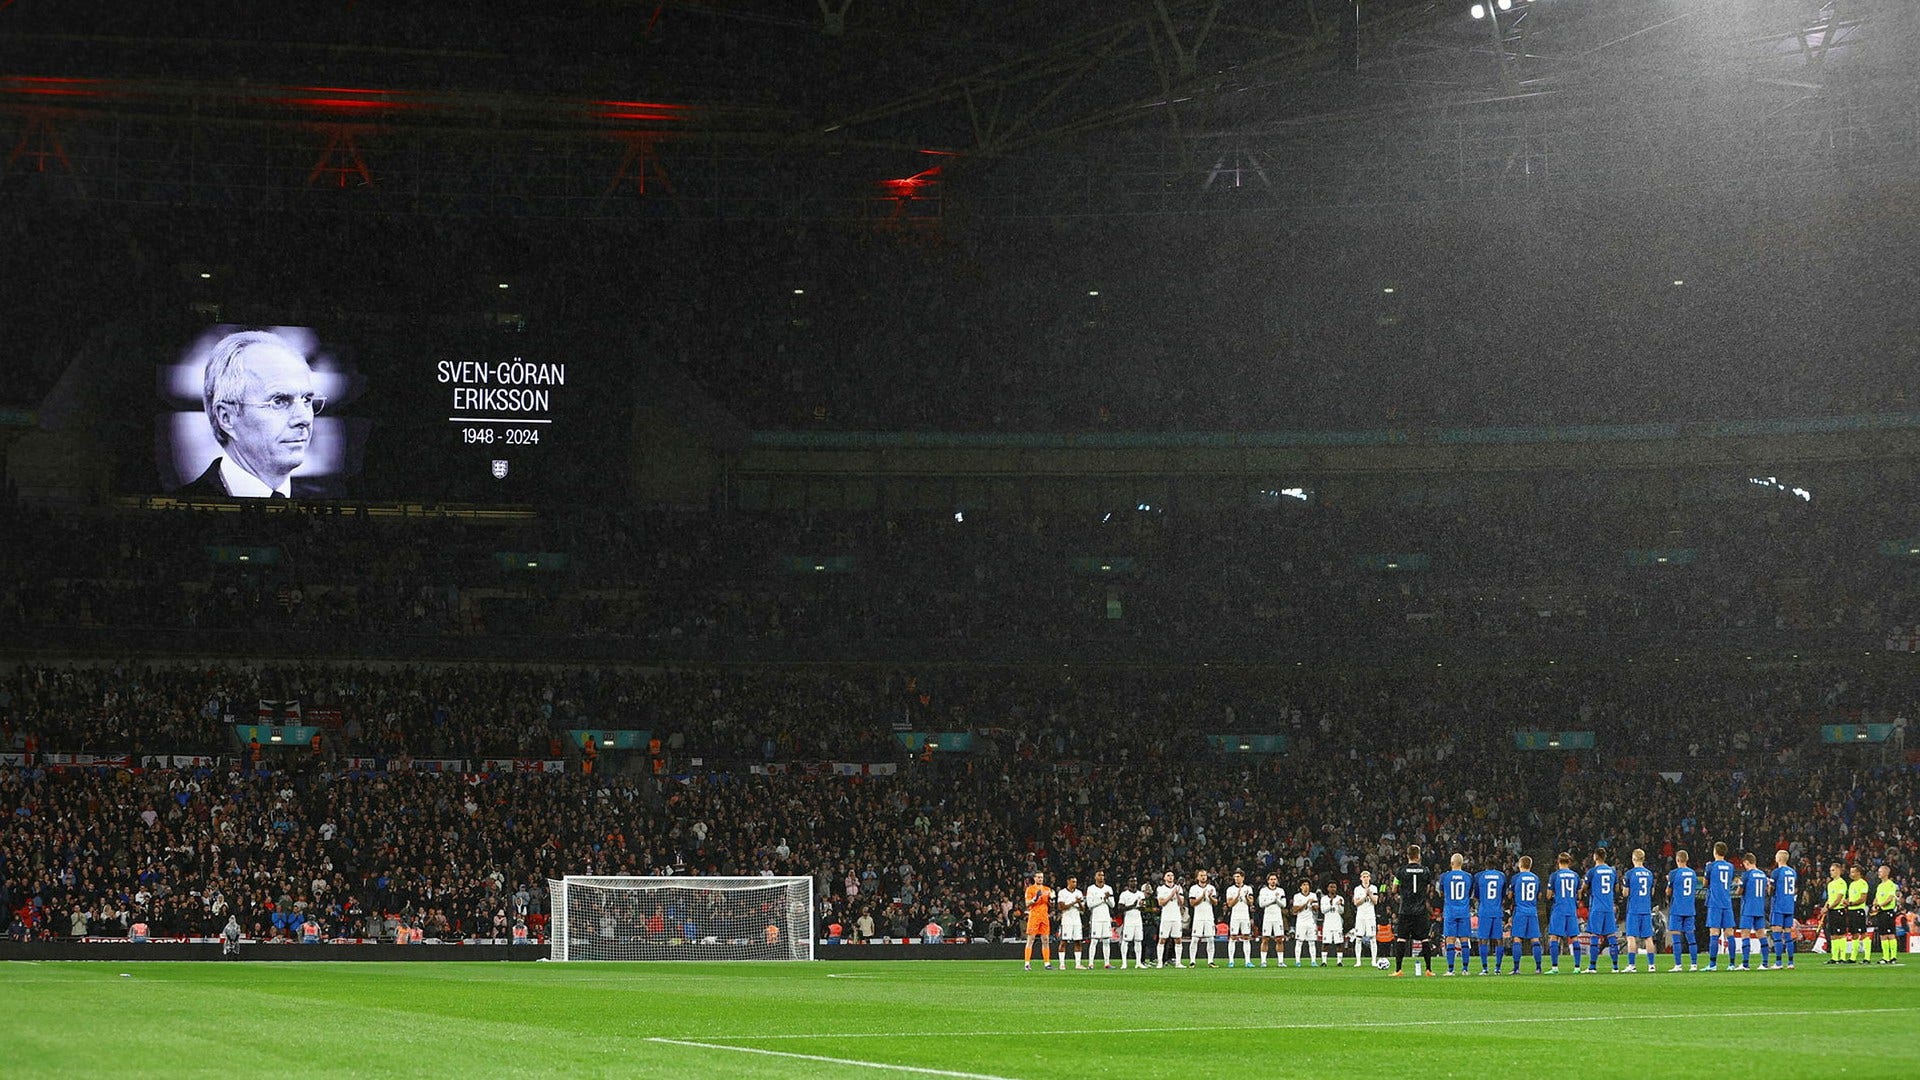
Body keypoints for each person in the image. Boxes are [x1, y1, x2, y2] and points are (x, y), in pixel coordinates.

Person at [178, 329, 323, 499]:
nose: (305, 419)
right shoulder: (181, 507)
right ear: (227, 418)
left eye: (306, 399)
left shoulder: (327, 504)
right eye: (279, 401)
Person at [1391, 845, 1434, 977]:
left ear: (1407, 855)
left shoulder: (1401, 871)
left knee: (1401, 939)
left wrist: (1402, 895)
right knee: (1424, 939)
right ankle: (1428, 970)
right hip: (1420, 910)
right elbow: (1427, 889)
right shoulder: (1425, 871)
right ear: (1419, 855)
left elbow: (1394, 889)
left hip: (1405, 910)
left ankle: (1398, 970)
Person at [1583, 849, 1620, 973]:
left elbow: (1584, 888)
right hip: (1609, 907)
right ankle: (1615, 967)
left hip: (1597, 907)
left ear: (1595, 857)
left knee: (1594, 935)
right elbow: (1616, 888)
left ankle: (1592, 967)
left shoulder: (1592, 872)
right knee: (1611, 936)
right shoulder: (1612, 871)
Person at [1703, 842, 1738, 970]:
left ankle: (1712, 964)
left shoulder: (1711, 866)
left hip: (1715, 903)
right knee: (1730, 933)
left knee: (1714, 932)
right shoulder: (1730, 866)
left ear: (1715, 852)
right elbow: (1731, 880)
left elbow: (1705, 883)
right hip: (1727, 902)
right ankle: (1732, 964)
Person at [1621, 849, 1656, 972]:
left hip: (1634, 909)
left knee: (1631, 937)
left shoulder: (1629, 874)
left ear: (1633, 859)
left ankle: (1632, 965)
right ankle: (1651, 965)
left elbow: (1625, 893)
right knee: (1648, 938)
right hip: (1646, 909)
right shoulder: (1650, 874)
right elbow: (1652, 892)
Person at [1547, 852, 1582, 974]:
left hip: (1559, 909)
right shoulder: (1575, 876)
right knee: (1574, 937)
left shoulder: (1555, 875)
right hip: (1571, 909)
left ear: (1558, 861)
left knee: (1554, 937)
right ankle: (1577, 967)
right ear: (1569, 861)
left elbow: (1548, 895)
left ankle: (1555, 967)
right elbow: (1579, 894)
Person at [1508, 856, 1543, 974]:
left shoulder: (1516, 878)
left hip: (1520, 911)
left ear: (1520, 865)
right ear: (1530, 865)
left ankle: (1516, 968)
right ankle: (1538, 968)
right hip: (1532, 911)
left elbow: (1509, 895)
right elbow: (1539, 896)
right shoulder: (1536, 878)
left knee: (1517, 939)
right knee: (1535, 939)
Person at [1439, 854, 1472, 975]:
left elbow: (1441, 892)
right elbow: (1470, 892)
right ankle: (1465, 969)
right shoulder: (1468, 876)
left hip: (1450, 911)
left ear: (1451, 863)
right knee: (1464, 940)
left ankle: (1451, 969)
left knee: (1450, 940)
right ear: (1462, 863)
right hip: (1463, 911)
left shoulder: (1444, 876)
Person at [1736, 852, 1770, 971]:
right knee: (1761, 935)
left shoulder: (1747, 875)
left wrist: (1738, 885)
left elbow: (1739, 892)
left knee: (1745, 934)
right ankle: (1765, 963)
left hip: (1748, 908)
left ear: (1747, 862)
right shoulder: (1763, 874)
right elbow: (1767, 890)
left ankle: (1745, 964)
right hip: (1760, 908)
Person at [1668, 851, 1700, 971]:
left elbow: (1668, 892)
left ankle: (1678, 965)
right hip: (1690, 908)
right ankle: (1694, 964)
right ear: (1687, 859)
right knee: (1691, 938)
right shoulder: (1693, 873)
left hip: (1677, 908)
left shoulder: (1674, 873)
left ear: (1677, 860)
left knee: (1676, 938)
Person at [1472, 859, 1506, 974]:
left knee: (1483, 940)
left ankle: (1485, 968)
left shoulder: (1479, 876)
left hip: (1484, 912)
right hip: (1497, 911)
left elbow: (1476, 896)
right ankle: (1498, 968)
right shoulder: (1501, 876)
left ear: (1485, 865)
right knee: (1499, 940)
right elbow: (1503, 895)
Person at [1769, 850, 1798, 970]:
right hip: (1789, 906)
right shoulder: (1793, 872)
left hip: (1779, 905)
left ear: (1779, 859)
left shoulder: (1776, 872)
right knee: (1788, 935)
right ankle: (1790, 963)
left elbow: (1771, 889)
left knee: (1777, 934)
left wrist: (1769, 889)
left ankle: (1778, 962)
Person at [1187, 869, 1218, 968]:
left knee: (1210, 939)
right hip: (1198, 917)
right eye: (1201, 875)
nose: (1203, 877)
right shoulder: (1193, 888)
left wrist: (1210, 897)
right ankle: (1192, 961)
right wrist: (1202, 896)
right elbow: (1192, 903)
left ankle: (1210, 961)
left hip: (1209, 917)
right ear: (1197, 877)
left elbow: (1215, 902)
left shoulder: (1211, 888)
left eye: (1205, 875)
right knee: (1195, 939)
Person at [1022, 871, 1054, 971]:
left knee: (1045, 940)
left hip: (1044, 916)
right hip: (1034, 916)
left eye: (1042, 877)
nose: (1040, 879)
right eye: (1038, 877)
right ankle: (1027, 963)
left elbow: (1051, 905)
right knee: (1030, 939)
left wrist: (1052, 899)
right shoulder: (1030, 889)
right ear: (1034, 878)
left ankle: (1047, 963)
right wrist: (1034, 899)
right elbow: (1027, 903)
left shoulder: (1047, 889)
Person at [1084, 871, 1115, 969]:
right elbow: (1089, 904)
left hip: (1106, 918)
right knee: (1094, 941)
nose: (1101, 877)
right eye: (1099, 875)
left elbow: (1112, 905)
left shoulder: (1108, 888)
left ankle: (1107, 963)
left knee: (1106, 941)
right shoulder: (1091, 889)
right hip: (1096, 918)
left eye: (1102, 875)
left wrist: (1108, 899)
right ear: (1095, 877)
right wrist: (1102, 898)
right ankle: (1090, 963)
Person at [1223, 871, 1254, 968]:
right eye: (1235, 876)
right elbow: (1230, 904)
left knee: (1246, 937)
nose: (1236, 878)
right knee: (1233, 937)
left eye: (1238, 876)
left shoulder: (1248, 888)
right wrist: (1237, 896)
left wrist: (1245, 897)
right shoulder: (1230, 889)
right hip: (1235, 916)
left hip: (1245, 916)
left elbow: (1251, 902)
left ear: (1243, 878)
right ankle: (1231, 961)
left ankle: (1248, 961)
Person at [1871, 865, 1901, 965]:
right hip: (1880, 912)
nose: (1878, 873)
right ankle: (1885, 957)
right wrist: (1874, 905)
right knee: (1883, 935)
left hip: (1888, 912)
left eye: (1880, 871)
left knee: (1890, 934)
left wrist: (1879, 905)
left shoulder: (1891, 884)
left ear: (1886, 873)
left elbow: (1890, 898)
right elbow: (1876, 898)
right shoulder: (1880, 886)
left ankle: (1893, 957)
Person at [1155, 871, 1185, 968]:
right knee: (1162, 939)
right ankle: (1160, 962)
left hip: (1176, 916)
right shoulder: (1161, 889)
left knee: (1178, 939)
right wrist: (1171, 894)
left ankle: (1178, 962)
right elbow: (1161, 903)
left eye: (1172, 875)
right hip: (1166, 917)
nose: (1170, 877)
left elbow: (1181, 903)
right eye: (1168, 875)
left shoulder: (1178, 888)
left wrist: (1177, 894)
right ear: (1164, 878)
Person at [1352, 870, 1381, 969]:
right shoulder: (1357, 889)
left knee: (1373, 938)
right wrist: (1365, 895)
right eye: (1363, 877)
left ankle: (1373, 961)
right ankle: (1358, 961)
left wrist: (1370, 894)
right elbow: (1356, 903)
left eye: (1367, 876)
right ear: (1361, 878)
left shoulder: (1374, 888)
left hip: (1370, 916)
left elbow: (1376, 901)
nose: (1365, 878)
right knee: (1358, 938)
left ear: (1370, 878)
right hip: (1360, 916)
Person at [1258, 872, 1287, 968]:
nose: (1273, 881)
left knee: (1279, 939)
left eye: (1274, 879)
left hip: (1277, 918)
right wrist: (1273, 900)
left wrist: (1277, 900)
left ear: (1277, 880)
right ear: (1268, 881)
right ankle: (1263, 961)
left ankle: (1280, 961)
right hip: (1267, 918)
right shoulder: (1263, 891)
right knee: (1265, 939)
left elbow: (1284, 904)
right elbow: (1261, 904)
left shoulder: (1281, 890)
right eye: (1271, 879)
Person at [1056, 876, 1085, 970]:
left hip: (1077, 919)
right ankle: (1062, 964)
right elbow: (1061, 907)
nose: (1075, 884)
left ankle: (1078, 964)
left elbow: (1083, 909)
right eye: (1073, 882)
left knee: (1078, 941)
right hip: (1067, 920)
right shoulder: (1062, 893)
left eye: (1076, 882)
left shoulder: (1079, 892)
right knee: (1064, 941)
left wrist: (1079, 903)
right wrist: (1074, 902)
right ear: (1068, 881)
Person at [1116, 879, 1146, 969]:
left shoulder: (1141, 894)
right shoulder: (1124, 894)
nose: (1134, 883)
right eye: (1132, 881)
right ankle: (1124, 963)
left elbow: (1143, 909)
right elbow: (1120, 908)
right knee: (1126, 941)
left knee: (1138, 941)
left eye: (1135, 881)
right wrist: (1133, 905)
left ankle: (1138, 962)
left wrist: (1141, 906)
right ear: (1128, 883)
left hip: (1138, 920)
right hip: (1128, 920)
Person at [1290, 878, 1320, 967]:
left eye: (1307, 885)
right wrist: (1306, 903)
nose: (1306, 887)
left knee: (1312, 942)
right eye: (1304, 885)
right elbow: (1295, 910)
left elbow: (1316, 908)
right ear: (1300, 887)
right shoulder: (1297, 896)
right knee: (1299, 942)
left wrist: (1313, 904)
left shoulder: (1313, 895)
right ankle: (1298, 961)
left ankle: (1313, 961)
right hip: (1301, 922)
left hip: (1310, 921)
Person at [1823, 862, 1849, 964]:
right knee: (1833, 934)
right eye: (1830, 870)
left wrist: (1829, 907)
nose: (1831, 872)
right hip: (1831, 911)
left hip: (1838, 910)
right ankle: (1835, 957)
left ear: (1838, 870)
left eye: (1833, 870)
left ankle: (1842, 957)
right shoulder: (1830, 884)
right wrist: (1825, 907)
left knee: (1841, 934)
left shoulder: (1842, 883)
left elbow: (1839, 898)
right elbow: (1830, 898)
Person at [1845, 865, 1871, 964]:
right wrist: (1846, 901)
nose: (1851, 874)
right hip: (1851, 911)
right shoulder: (1852, 884)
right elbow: (1851, 898)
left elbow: (1862, 899)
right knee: (1854, 934)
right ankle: (1853, 957)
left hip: (1858, 910)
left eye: (1852, 872)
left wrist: (1850, 903)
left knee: (1863, 933)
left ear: (1858, 873)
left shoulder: (1863, 883)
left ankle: (1867, 957)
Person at [1319, 881, 1347, 967]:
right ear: (1327, 888)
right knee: (1325, 943)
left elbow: (1342, 911)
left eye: (1334, 887)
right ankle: (1324, 961)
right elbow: (1323, 911)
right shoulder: (1324, 899)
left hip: (1337, 924)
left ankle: (1339, 961)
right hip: (1327, 924)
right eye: (1331, 887)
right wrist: (1330, 904)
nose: (1332, 888)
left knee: (1339, 943)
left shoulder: (1340, 898)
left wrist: (1339, 905)